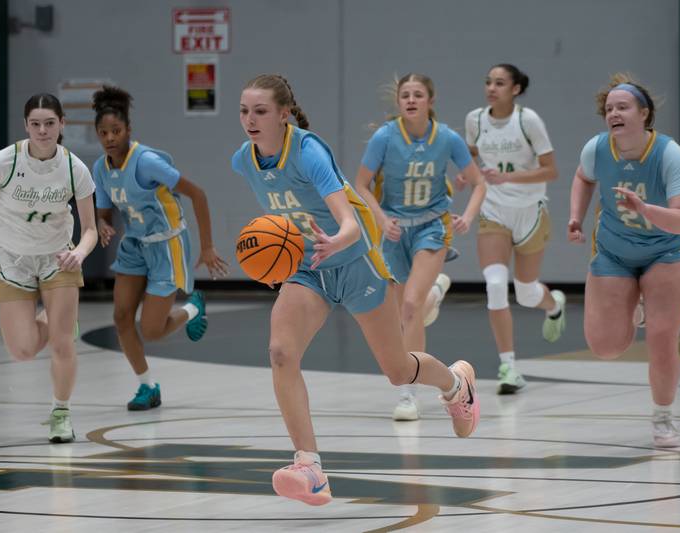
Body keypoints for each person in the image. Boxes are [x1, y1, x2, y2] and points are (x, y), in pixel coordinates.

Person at [232, 74, 480, 506]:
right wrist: (274, 254)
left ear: (284, 114)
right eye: (244, 111)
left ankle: (456, 383)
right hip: (309, 267)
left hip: (354, 258)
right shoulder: (244, 160)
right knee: (281, 352)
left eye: (260, 111)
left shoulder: (308, 151)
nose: (250, 120)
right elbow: (277, 218)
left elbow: (347, 222)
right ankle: (310, 468)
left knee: (398, 370)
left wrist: (334, 241)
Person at [0, 93, 97, 443]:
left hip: (57, 259)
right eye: (35, 123)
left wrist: (79, 251)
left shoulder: (73, 168)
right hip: (12, 258)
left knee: (63, 345)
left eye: (50, 123)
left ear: (62, 125)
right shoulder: (3, 162)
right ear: (26, 126)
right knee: (21, 351)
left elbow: (90, 228)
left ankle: (61, 413)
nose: (43, 130)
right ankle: (55, 320)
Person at [568, 74, 680, 448]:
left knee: (661, 336)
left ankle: (663, 418)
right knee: (606, 347)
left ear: (644, 114)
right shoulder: (595, 149)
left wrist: (645, 209)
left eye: (622, 107)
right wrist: (576, 216)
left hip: (666, 250)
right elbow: (582, 176)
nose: (614, 114)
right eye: (609, 109)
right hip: (614, 251)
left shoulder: (669, 154)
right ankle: (634, 305)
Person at [354, 73, 486, 420]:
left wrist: (468, 217)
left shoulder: (447, 138)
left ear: (430, 100)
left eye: (418, 95)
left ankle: (408, 394)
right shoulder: (385, 137)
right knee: (406, 313)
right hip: (395, 229)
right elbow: (361, 185)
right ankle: (437, 292)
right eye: (405, 95)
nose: (411, 100)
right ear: (398, 102)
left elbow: (478, 183)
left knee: (411, 306)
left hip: (432, 226)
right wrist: (382, 220)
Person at [91, 86, 228, 411]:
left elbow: (198, 194)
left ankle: (193, 307)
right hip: (135, 246)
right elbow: (104, 209)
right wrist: (101, 223)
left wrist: (207, 247)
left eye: (116, 131)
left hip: (167, 245)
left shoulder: (147, 163)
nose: (110, 138)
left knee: (152, 331)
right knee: (122, 317)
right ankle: (147, 386)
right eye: (103, 133)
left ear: (128, 131)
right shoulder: (101, 168)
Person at [458, 63, 564, 395]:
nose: (492, 87)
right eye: (488, 81)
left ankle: (554, 305)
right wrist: (465, 177)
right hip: (493, 211)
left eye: (500, 83)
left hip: (530, 211)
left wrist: (511, 177)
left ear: (515, 89)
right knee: (494, 283)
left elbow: (551, 171)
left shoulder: (527, 120)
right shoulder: (475, 119)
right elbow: (472, 158)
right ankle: (509, 367)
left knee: (527, 291)